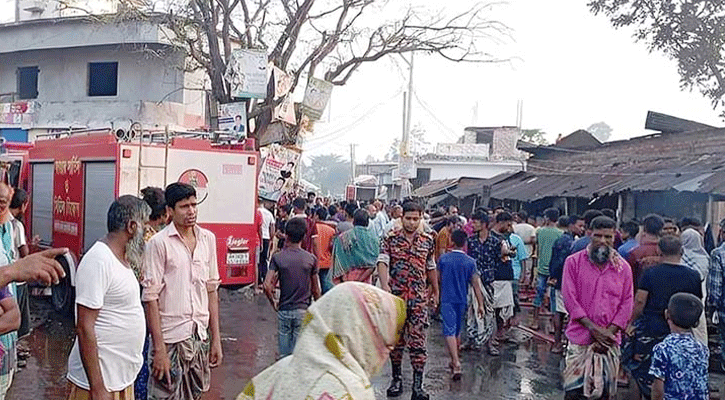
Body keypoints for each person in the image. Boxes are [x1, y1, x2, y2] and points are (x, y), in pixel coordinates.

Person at [237, 282, 405, 400]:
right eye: (383, 344)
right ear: (363, 334)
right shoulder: (351, 389)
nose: (383, 356)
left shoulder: (276, 373)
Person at [142, 183, 223, 400]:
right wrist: (159, 349)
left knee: (195, 395)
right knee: (164, 395)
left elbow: (211, 291)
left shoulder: (208, 240)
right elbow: (150, 298)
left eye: (194, 205)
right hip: (170, 339)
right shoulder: (158, 244)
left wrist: (216, 339)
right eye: (184, 206)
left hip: (199, 336)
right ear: (170, 210)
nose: (191, 211)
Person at [66, 196, 150, 400]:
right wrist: (98, 388)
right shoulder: (99, 260)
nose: (148, 233)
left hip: (118, 380)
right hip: (98, 385)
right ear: (131, 226)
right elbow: (84, 327)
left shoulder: (122, 258)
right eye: (145, 226)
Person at [622, 235, 702, 399]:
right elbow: (695, 303)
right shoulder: (693, 275)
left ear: (659, 250)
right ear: (681, 251)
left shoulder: (650, 273)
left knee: (641, 372)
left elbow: (639, 301)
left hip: (651, 329)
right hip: (680, 328)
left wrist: (631, 322)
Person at [562, 216, 633, 400]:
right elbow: (570, 299)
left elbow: (627, 303)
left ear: (614, 237)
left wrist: (607, 334)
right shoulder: (573, 263)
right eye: (598, 236)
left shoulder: (623, 268)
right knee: (573, 394)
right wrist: (593, 329)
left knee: (605, 395)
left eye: (608, 237)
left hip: (609, 343)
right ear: (588, 234)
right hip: (579, 340)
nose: (603, 241)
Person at [377, 200, 438, 400]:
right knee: (396, 341)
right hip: (397, 299)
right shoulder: (390, 238)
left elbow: (430, 266)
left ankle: (418, 387)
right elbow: (383, 262)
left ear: (421, 218)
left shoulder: (428, 240)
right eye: (408, 218)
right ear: (401, 217)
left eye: (415, 219)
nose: (411, 223)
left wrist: (435, 290)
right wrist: (385, 286)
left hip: (419, 299)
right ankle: (396, 380)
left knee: (418, 342)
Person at [263, 217, 321, 357]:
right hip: (302, 310)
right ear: (304, 236)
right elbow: (315, 289)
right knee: (298, 357)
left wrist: (274, 303)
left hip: (284, 309)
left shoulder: (278, 257)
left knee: (284, 356)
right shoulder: (311, 259)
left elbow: (266, 286)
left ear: (286, 235)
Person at [438, 230, 484, 380]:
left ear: (451, 241)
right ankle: (454, 359)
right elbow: (476, 285)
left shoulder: (443, 259)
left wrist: (432, 295)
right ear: (465, 243)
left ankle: (456, 362)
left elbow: (437, 280)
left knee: (449, 331)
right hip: (462, 300)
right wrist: (481, 305)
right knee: (457, 331)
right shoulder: (471, 262)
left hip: (447, 299)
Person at [649, 293, 708, 400]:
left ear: (667, 314)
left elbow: (658, 390)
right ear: (696, 322)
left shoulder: (663, 349)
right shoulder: (702, 349)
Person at [548, 215, 585, 354]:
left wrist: (553, 276)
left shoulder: (562, 240)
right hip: (568, 282)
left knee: (559, 312)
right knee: (568, 313)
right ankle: (563, 343)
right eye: (579, 226)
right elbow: (560, 263)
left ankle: (558, 343)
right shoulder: (570, 242)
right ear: (571, 225)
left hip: (560, 281)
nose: (581, 229)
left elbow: (554, 262)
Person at [465, 211, 499, 354]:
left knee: (490, 312)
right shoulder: (471, 241)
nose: (473, 225)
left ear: (484, 224)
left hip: (488, 280)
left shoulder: (495, 241)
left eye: (476, 222)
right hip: (473, 280)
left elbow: (499, 260)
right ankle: (470, 340)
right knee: (471, 310)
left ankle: (490, 343)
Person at [488, 212, 516, 354]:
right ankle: (491, 337)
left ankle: (499, 333)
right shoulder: (491, 237)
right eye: (508, 224)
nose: (510, 227)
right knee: (492, 308)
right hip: (496, 277)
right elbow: (499, 253)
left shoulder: (502, 237)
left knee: (501, 308)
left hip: (504, 276)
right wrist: (509, 253)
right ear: (502, 222)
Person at [531, 208, 562, 330]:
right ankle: (553, 325)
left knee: (538, 294)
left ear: (547, 218)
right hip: (555, 269)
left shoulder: (540, 232)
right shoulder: (560, 234)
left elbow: (537, 249)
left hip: (542, 268)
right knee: (554, 298)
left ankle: (535, 321)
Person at [331, 209, 379, 284]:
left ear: (353, 221)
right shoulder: (374, 239)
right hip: (366, 281)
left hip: (346, 281)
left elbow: (338, 261)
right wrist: (360, 280)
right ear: (367, 222)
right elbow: (374, 263)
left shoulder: (343, 238)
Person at [8, 189, 31, 342]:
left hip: (7, 278)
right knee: (18, 320)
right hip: (18, 279)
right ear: (23, 205)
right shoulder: (16, 225)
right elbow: (24, 253)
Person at [680, 228, 709, 345]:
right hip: (700, 294)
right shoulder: (705, 258)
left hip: (682, 295)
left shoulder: (680, 257)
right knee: (699, 328)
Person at [627, 214, 664, 289]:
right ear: (661, 229)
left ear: (644, 229)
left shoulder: (635, 252)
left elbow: (630, 278)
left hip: (640, 292)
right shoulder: (667, 250)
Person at [312, 207, 334, 294]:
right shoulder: (331, 230)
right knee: (325, 284)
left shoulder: (312, 228)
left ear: (317, 216)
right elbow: (332, 247)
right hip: (326, 261)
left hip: (313, 260)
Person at [513, 211, 536, 289]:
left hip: (516, 251)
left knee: (518, 267)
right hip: (528, 251)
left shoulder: (515, 227)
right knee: (528, 270)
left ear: (519, 217)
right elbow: (533, 240)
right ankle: (525, 286)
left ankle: (518, 284)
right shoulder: (531, 228)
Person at [258, 200, 275, 286]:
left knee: (258, 259)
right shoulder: (269, 214)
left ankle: (258, 279)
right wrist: (271, 239)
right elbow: (272, 228)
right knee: (264, 259)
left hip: (258, 237)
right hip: (266, 238)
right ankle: (265, 278)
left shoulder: (257, 212)